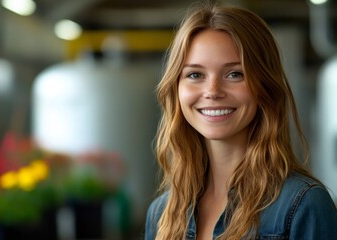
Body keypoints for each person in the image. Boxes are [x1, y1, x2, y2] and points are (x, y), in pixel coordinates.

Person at [144, 2, 337, 240]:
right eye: (195, 74)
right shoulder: (161, 213)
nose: (212, 91)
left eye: (235, 74)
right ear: (176, 89)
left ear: (265, 88)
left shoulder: (303, 205)